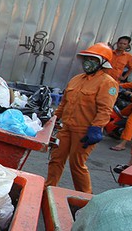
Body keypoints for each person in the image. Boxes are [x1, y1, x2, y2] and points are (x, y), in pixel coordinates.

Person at [46, 43, 118, 193]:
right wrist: (53, 120)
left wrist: (96, 128)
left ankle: (85, 197)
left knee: (76, 164)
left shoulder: (107, 83)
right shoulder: (76, 79)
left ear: (102, 63)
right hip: (66, 128)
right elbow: (64, 103)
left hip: (84, 131)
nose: (88, 62)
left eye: (93, 59)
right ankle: (48, 189)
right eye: (86, 58)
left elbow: (105, 109)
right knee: (56, 159)